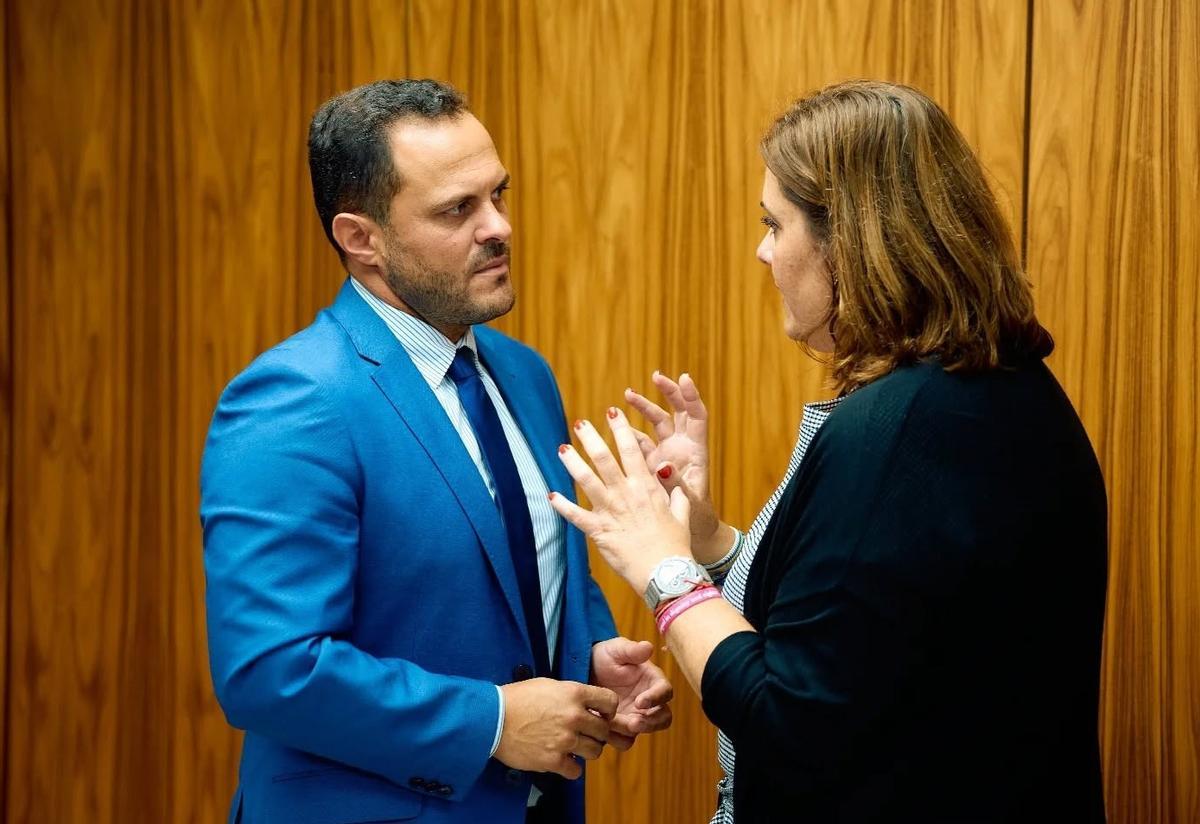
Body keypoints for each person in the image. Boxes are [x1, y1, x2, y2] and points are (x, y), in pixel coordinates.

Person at [549, 80, 1108, 822]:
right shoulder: (993, 387)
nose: (762, 250)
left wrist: (663, 570)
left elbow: (788, 716)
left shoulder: (901, 429)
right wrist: (705, 537)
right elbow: (849, 631)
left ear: (847, 239)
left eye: (774, 224)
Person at [200, 78, 672, 824]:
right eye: (458, 209)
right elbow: (269, 669)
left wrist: (588, 657)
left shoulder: (523, 374)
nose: (499, 227)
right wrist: (489, 721)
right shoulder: (293, 401)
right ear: (362, 239)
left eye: (499, 195)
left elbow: (525, 576)